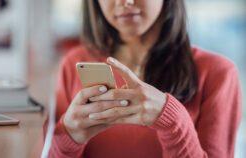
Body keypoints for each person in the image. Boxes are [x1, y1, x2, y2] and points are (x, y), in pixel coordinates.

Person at [44, 0, 242, 157]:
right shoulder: (74, 63)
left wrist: (172, 121)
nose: (125, 1)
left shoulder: (218, 73)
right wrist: (68, 137)